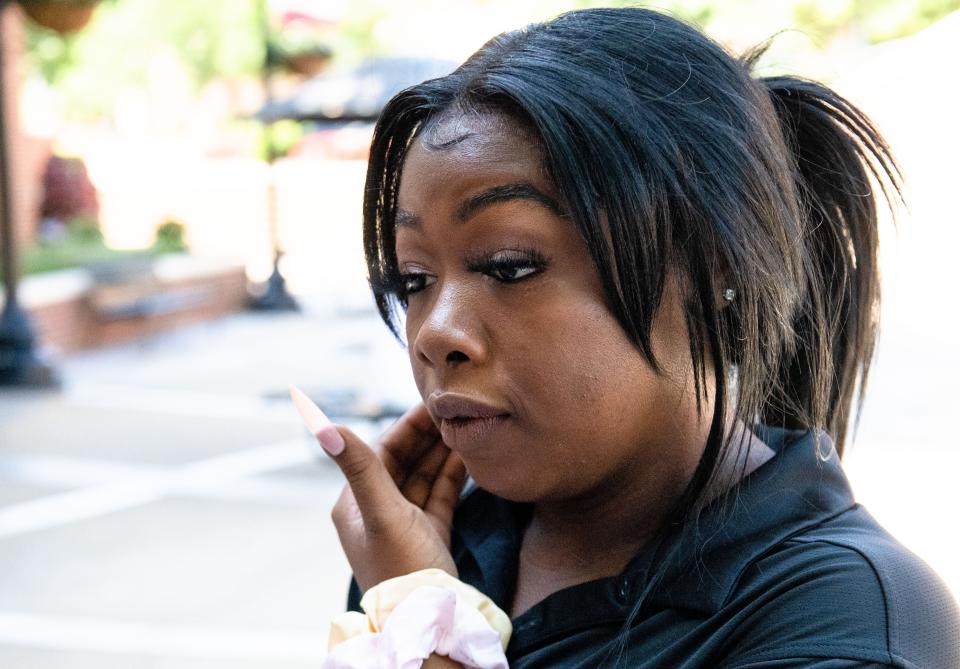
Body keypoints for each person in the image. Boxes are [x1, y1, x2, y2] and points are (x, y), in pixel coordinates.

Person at [295, 7, 960, 668]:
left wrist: (420, 627)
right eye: (414, 279)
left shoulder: (849, 616)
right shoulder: (437, 540)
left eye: (509, 265)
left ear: (712, 267)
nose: (434, 332)